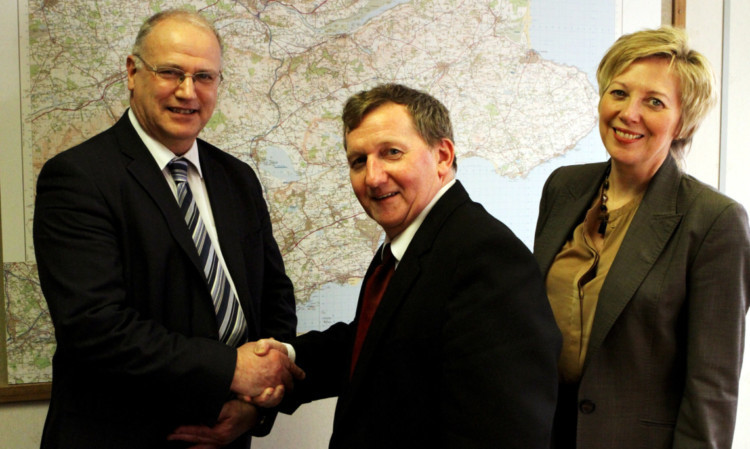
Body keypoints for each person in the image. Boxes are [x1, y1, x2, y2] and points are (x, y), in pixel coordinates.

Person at [33, 9, 302, 449]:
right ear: (132, 72)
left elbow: (273, 294)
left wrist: (255, 405)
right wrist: (231, 370)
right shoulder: (79, 178)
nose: (187, 92)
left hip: (229, 433)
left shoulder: (238, 178)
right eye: (171, 72)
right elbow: (95, 326)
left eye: (204, 77)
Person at [259, 83, 561, 448]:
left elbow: (508, 431)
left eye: (391, 153)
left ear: (443, 156)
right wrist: (282, 359)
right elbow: (377, 345)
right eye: (359, 161)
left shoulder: (487, 257)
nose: (372, 177)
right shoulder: (410, 242)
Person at [533, 26, 750, 449]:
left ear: (683, 121)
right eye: (618, 93)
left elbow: (712, 390)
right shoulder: (562, 187)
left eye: (654, 102)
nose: (628, 113)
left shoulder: (715, 222)